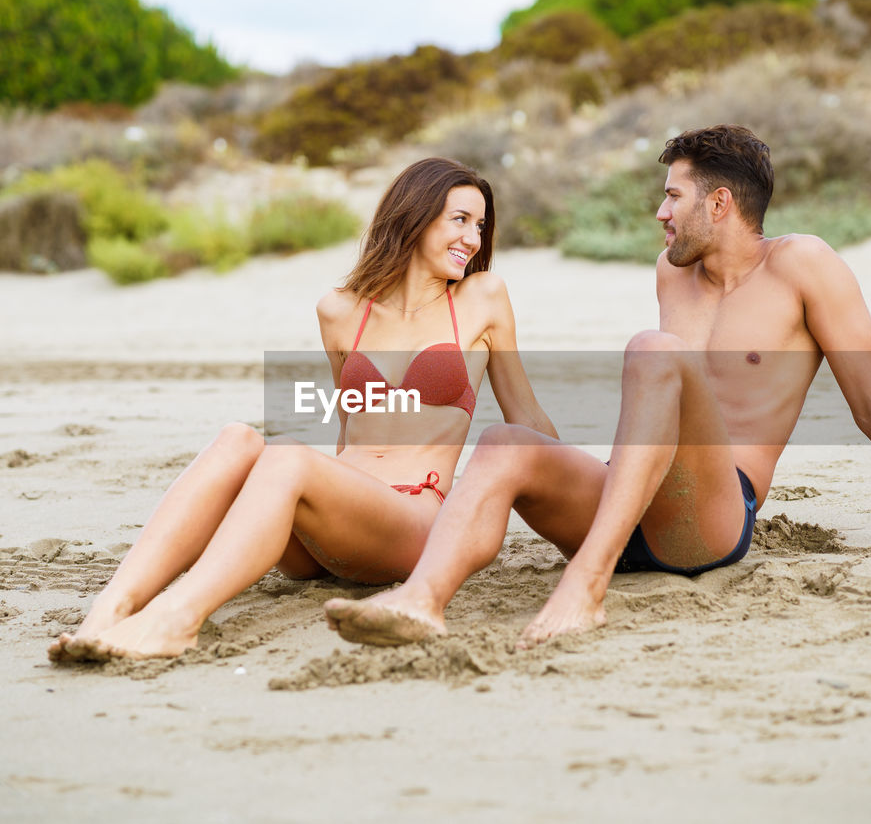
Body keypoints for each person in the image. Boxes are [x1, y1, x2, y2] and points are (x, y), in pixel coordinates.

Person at [324, 124, 871, 650]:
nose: (658, 212)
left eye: (672, 196)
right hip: (629, 496)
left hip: (708, 516)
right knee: (506, 441)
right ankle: (421, 601)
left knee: (653, 351)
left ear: (719, 204)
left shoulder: (804, 266)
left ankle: (586, 586)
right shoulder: (669, 271)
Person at [48, 157, 555, 662]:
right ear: (415, 216)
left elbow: (525, 418)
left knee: (287, 454)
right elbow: (348, 427)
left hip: (410, 521)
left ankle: (177, 619)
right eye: (459, 220)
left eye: (481, 224)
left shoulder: (482, 298)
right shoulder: (339, 312)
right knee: (237, 438)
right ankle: (109, 612)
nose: (473, 237)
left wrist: (586, 504)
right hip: (331, 527)